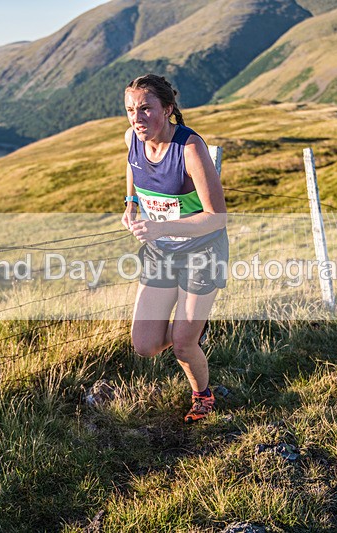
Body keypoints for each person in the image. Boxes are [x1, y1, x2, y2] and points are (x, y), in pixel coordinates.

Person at [121, 73, 228, 423]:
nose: (137, 118)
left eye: (146, 109)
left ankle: (203, 394)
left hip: (202, 251)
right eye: (130, 110)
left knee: (182, 345)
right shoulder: (132, 138)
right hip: (160, 252)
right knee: (145, 345)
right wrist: (130, 203)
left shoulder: (190, 148)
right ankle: (193, 327)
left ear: (167, 109)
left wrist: (160, 226)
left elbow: (216, 218)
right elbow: (132, 168)